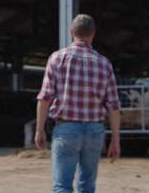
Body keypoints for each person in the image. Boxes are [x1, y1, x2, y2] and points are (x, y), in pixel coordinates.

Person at [34, 14, 121, 193]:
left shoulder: (57, 58)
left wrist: (39, 129)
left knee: (62, 186)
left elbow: (45, 98)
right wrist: (115, 139)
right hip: (94, 132)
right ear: (93, 34)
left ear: (71, 32)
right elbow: (113, 106)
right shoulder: (104, 63)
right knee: (87, 186)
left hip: (66, 129)